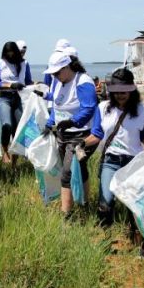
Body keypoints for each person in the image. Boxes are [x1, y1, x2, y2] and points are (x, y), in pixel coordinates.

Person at [81, 68, 144, 245]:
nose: (120, 95)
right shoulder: (102, 108)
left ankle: (138, 240)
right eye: (116, 92)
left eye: (124, 92)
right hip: (110, 162)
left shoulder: (143, 110)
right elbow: (97, 134)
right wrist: (82, 143)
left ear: (132, 91)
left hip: (134, 164)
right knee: (105, 202)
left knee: (134, 206)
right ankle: (105, 240)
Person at [41, 52, 97, 218]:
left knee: (67, 173)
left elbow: (89, 108)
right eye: (52, 73)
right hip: (62, 135)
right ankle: (85, 203)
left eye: (57, 72)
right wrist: (49, 124)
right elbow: (57, 106)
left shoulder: (83, 82)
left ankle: (66, 216)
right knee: (80, 168)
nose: (55, 76)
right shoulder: (58, 82)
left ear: (67, 67)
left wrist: (72, 122)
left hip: (81, 137)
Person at [0, 41, 33, 165]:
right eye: (7, 52)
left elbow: (28, 81)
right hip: (4, 98)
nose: (10, 55)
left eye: (12, 52)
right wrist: (10, 84)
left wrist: (38, 86)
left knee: (19, 129)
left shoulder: (23, 64)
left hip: (19, 98)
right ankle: (5, 150)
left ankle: (14, 163)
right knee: (7, 125)